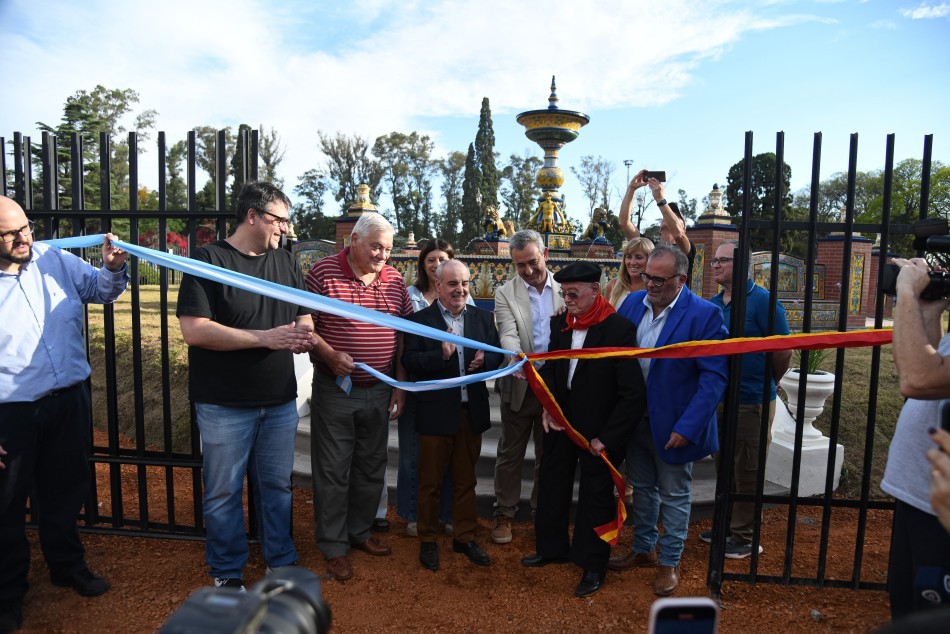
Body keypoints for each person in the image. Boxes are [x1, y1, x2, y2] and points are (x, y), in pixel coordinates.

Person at [176, 181, 316, 590]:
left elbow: (304, 313)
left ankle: (280, 559)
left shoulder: (286, 262)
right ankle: (227, 571)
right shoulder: (207, 260)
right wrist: (266, 338)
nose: (285, 230)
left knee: (276, 486)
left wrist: (303, 333)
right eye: (279, 220)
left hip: (277, 400)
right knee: (222, 491)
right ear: (252, 216)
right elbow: (195, 330)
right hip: (223, 402)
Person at [0, 195, 128, 632]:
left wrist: (112, 268)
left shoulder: (53, 258)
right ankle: (7, 593)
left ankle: (67, 565)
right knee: (7, 502)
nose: (24, 238)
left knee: (64, 489)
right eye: (11, 233)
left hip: (68, 399)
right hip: (10, 412)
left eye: (25, 227)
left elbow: (101, 291)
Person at [520, 261, 646, 598]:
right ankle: (551, 548)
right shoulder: (561, 322)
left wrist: (608, 437)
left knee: (595, 497)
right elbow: (552, 369)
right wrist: (548, 409)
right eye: (564, 293)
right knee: (551, 484)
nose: (567, 299)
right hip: (562, 424)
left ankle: (593, 564)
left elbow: (632, 392)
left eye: (574, 293)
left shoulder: (619, 329)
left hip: (599, 433)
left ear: (595, 290)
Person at [609, 243, 728, 596]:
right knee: (642, 488)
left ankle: (669, 561)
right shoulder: (632, 303)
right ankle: (644, 548)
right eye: (646, 276)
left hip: (675, 425)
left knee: (675, 494)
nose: (650, 284)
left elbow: (713, 379)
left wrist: (688, 427)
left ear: (681, 279)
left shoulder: (704, 315)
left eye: (659, 280)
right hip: (636, 420)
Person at [306, 212, 413, 581]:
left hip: (380, 389)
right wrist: (329, 355)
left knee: (371, 467)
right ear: (353, 240)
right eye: (376, 247)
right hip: (336, 389)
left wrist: (400, 385)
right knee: (333, 470)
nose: (383, 255)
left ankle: (359, 532)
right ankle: (334, 546)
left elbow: (403, 337)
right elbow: (307, 324)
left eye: (388, 248)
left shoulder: (396, 279)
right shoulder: (322, 272)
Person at [402, 259, 503, 571]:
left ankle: (464, 537)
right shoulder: (421, 320)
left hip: (469, 412)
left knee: (465, 480)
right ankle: (429, 539)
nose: (460, 290)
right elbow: (410, 361)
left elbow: (498, 356)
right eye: (452, 284)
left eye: (464, 283)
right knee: (430, 481)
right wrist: (439, 355)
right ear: (438, 286)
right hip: (435, 414)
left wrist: (486, 361)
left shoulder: (483, 319)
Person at [705, 240, 791, 558]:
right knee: (723, 464)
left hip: (752, 399)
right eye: (714, 260)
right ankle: (725, 525)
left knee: (748, 470)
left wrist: (771, 382)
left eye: (722, 260)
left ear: (743, 266)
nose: (715, 265)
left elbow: (783, 350)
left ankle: (744, 537)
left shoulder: (763, 301)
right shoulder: (715, 303)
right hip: (721, 399)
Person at [881, 256, 950, 618]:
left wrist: (906, 293)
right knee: (906, 607)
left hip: (941, 506)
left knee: (928, 616)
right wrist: (929, 311)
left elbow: (917, 379)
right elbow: (935, 371)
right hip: (922, 494)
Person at [491, 230, 564, 544]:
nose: (529, 270)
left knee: (548, 456)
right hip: (519, 379)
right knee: (510, 454)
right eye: (520, 265)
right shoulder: (504, 293)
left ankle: (541, 513)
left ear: (545, 254)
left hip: (556, 385)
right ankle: (504, 515)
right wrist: (515, 358)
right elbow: (507, 332)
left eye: (532, 262)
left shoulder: (565, 290)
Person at [398, 239, 473, 538]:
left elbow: (482, 342)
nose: (436, 263)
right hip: (421, 390)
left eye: (442, 258)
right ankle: (415, 515)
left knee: (452, 464)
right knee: (417, 459)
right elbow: (407, 348)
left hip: (456, 398)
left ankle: (446, 515)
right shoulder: (412, 299)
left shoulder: (468, 304)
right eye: (431, 259)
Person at [618, 169, 691, 257]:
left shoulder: (687, 249)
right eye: (665, 215)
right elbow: (624, 223)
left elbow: (678, 235)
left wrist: (660, 199)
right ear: (660, 227)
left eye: (675, 217)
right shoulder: (651, 247)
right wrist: (631, 189)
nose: (668, 217)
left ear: (684, 229)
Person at [604, 237, 654, 310]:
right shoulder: (613, 285)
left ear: (650, 259)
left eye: (639, 257)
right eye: (629, 257)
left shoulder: (654, 288)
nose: (632, 262)